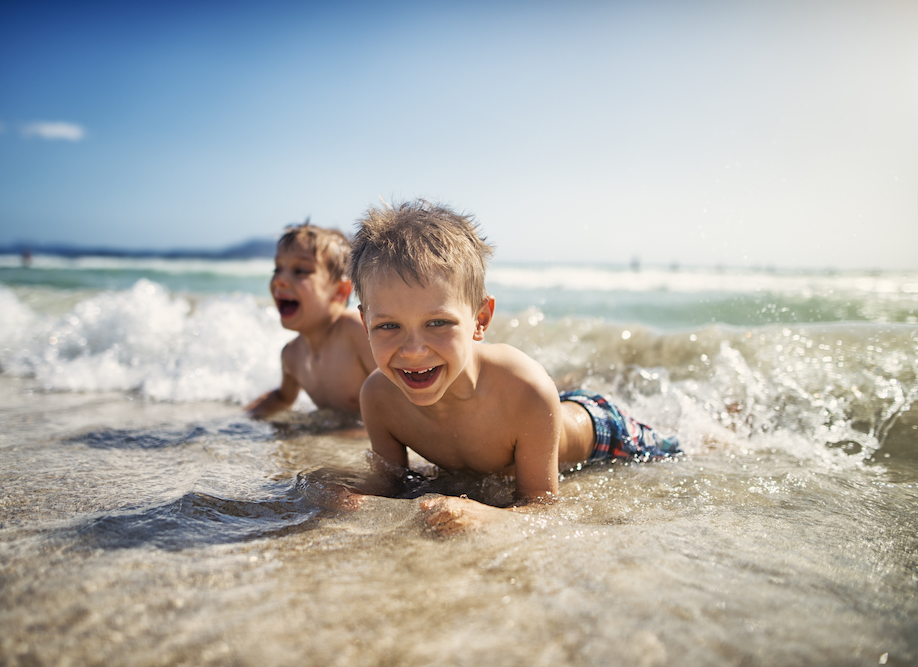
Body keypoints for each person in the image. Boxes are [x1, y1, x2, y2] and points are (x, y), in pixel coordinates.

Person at [349, 200, 680, 534]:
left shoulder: (524, 388)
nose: (414, 351)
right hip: (537, 420)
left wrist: (487, 515)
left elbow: (542, 507)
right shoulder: (379, 399)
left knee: (679, 451)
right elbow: (391, 484)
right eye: (388, 326)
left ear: (481, 319)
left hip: (605, 432)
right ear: (365, 323)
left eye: (438, 322)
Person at [246, 222, 377, 419]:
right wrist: (241, 419)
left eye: (300, 271)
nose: (280, 280)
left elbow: (397, 396)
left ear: (340, 292)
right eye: (277, 269)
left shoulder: (355, 332)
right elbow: (283, 398)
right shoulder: (292, 355)